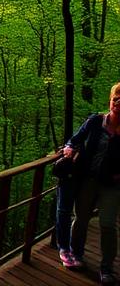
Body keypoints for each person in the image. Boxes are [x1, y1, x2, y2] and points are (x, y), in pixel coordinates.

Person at [60, 82, 120, 283]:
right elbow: (75, 139)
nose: (117, 103)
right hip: (88, 180)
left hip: (112, 184)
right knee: (81, 218)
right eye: (115, 99)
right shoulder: (96, 121)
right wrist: (69, 148)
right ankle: (77, 255)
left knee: (108, 225)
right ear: (110, 101)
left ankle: (107, 268)